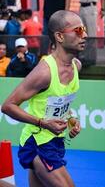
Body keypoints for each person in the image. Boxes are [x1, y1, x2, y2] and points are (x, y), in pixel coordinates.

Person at [2, 10, 87, 187]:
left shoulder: (76, 66)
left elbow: (61, 102)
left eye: (84, 29)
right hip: (37, 143)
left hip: (55, 142)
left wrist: (71, 120)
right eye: (78, 30)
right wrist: (43, 123)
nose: (84, 35)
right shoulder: (44, 72)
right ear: (60, 37)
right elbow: (8, 106)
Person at [75, 0, 104, 65]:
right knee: (80, 33)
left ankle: (90, 58)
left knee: (91, 35)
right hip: (81, 7)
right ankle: (81, 57)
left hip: (90, 8)